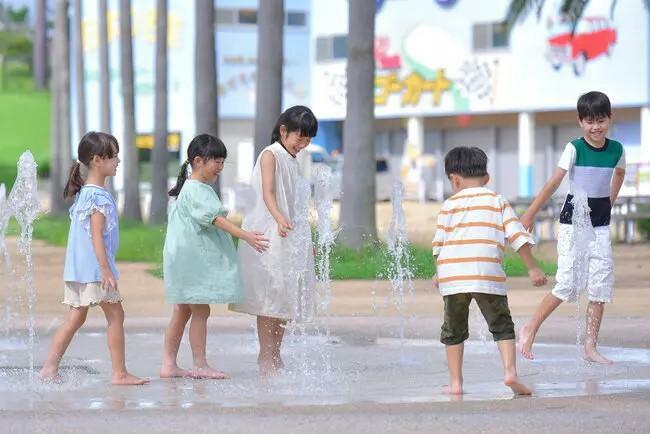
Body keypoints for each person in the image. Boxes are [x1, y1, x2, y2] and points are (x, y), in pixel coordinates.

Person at [518, 91, 626, 364]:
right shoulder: (574, 147)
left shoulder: (617, 149)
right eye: (589, 121)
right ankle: (530, 327)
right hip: (572, 225)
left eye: (601, 120)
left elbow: (621, 173)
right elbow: (554, 182)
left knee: (600, 287)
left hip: (600, 226)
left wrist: (610, 202)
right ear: (580, 122)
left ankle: (590, 346)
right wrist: (530, 213)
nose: (595, 127)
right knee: (567, 284)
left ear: (609, 119)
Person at [432, 146, 548, 395]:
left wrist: (438, 272)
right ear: (486, 178)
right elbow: (517, 236)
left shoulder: (448, 206)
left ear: (454, 179)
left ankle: (455, 384)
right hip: (487, 275)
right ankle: (510, 373)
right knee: (502, 326)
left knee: (453, 331)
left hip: (453, 278)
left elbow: (438, 244)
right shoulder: (496, 200)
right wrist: (532, 268)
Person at [39, 132, 148, 385]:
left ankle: (48, 368)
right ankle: (119, 373)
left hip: (78, 270)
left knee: (76, 317)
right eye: (114, 156)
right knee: (116, 315)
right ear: (97, 160)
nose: (118, 161)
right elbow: (96, 237)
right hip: (95, 270)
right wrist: (105, 268)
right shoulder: (97, 197)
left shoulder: (84, 195)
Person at [161, 134, 268, 379]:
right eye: (216, 161)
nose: (220, 166)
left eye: (222, 161)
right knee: (200, 311)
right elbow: (215, 219)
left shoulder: (190, 188)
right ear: (198, 161)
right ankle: (199, 364)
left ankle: (169, 364)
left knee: (182, 310)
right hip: (192, 262)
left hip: (181, 260)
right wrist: (246, 235)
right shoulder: (198, 189)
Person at [229, 106, 318, 375]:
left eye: (307, 140)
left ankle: (275, 355)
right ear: (283, 131)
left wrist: (305, 238)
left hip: (287, 235)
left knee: (282, 300)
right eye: (299, 138)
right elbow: (268, 193)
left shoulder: (292, 160)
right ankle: (266, 356)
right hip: (268, 236)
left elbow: (297, 203)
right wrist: (280, 218)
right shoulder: (271, 155)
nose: (302, 144)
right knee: (269, 299)